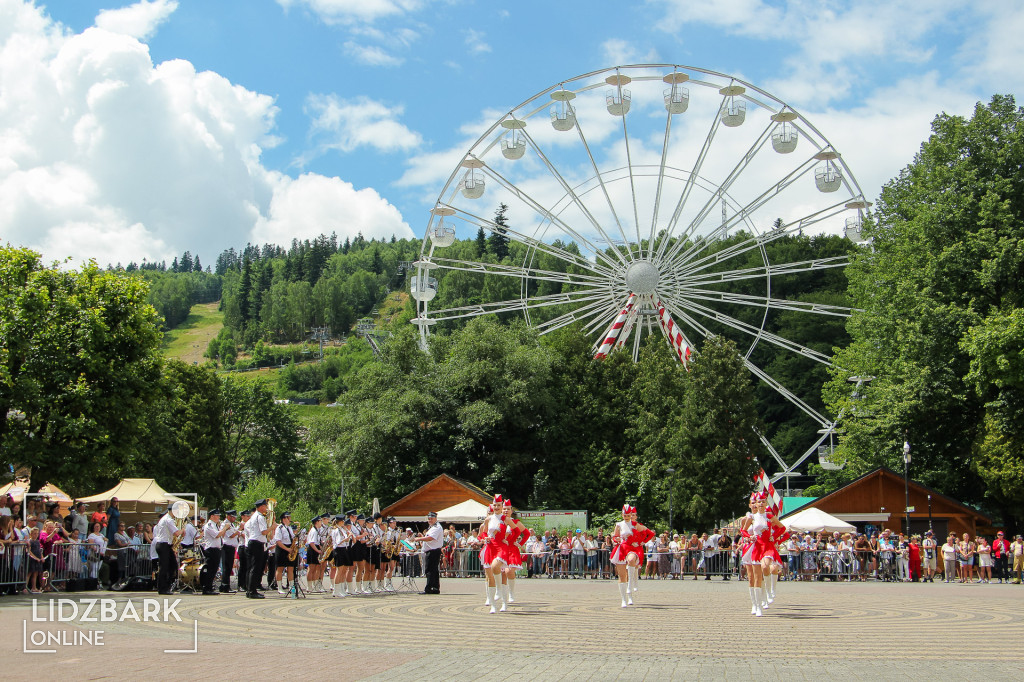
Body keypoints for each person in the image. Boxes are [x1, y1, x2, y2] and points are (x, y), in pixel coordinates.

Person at [244, 499, 275, 599]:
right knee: (256, 568)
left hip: (253, 542)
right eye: (265, 506)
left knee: (252, 568)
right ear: (261, 507)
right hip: (257, 543)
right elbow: (264, 532)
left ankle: (250, 590)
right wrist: (272, 526)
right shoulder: (260, 517)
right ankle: (252, 591)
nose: (266, 508)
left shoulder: (254, 516)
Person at [153, 506, 184, 595]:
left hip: (166, 545)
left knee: (172, 565)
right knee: (164, 567)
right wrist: (182, 530)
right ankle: (162, 588)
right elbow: (176, 533)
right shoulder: (168, 519)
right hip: (163, 544)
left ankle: (167, 586)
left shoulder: (167, 518)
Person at [412, 510, 443, 595]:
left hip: (433, 551)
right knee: (433, 570)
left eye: (431, 519)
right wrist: (422, 537)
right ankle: (435, 588)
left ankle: (429, 588)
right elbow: (429, 538)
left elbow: (430, 538)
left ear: (435, 518)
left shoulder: (437, 527)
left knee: (430, 570)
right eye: (429, 519)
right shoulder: (432, 527)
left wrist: (419, 539)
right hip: (432, 550)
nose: (430, 520)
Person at [200, 509, 225, 595]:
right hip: (211, 549)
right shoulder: (209, 525)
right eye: (217, 515)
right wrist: (225, 528)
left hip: (216, 549)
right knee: (210, 569)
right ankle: (207, 588)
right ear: (212, 516)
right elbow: (217, 535)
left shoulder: (215, 525)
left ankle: (209, 587)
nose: (218, 517)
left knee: (214, 569)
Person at [272, 511, 296, 595]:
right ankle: (279, 587)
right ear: (283, 519)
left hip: (289, 547)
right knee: (280, 568)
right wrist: (287, 549)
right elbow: (278, 541)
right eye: (288, 518)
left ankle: (292, 586)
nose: (290, 519)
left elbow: (292, 538)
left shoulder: (289, 528)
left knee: (290, 568)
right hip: (282, 549)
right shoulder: (279, 528)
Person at [220, 510, 240, 593]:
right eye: (233, 517)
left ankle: (225, 585)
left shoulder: (231, 524)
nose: (235, 518)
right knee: (226, 568)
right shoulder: (226, 524)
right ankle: (225, 586)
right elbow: (231, 535)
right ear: (228, 516)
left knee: (228, 568)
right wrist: (239, 529)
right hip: (226, 547)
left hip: (231, 548)